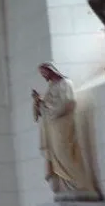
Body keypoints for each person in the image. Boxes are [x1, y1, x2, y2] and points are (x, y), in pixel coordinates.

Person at [32, 63, 99, 198]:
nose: (44, 76)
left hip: (63, 125)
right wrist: (38, 102)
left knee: (66, 153)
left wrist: (50, 110)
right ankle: (66, 187)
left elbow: (69, 102)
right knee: (56, 155)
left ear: (51, 71)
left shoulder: (65, 83)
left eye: (44, 72)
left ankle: (81, 185)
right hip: (52, 127)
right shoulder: (51, 87)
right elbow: (45, 107)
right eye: (42, 74)